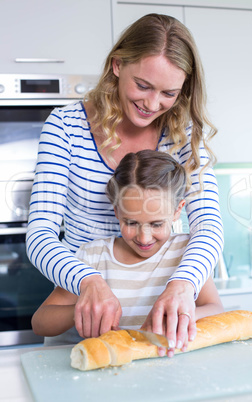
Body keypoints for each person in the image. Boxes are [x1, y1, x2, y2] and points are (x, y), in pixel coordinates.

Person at [26, 13, 223, 352]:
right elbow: (40, 234)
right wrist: (88, 281)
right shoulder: (65, 127)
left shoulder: (185, 135)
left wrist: (182, 285)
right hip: (84, 333)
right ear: (118, 65)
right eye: (143, 86)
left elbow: (209, 226)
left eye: (169, 93)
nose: (152, 104)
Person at [31, 150, 224, 355]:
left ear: (178, 210)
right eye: (131, 223)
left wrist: (176, 318)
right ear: (116, 211)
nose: (144, 237)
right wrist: (83, 310)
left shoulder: (187, 253)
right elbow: (40, 322)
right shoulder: (93, 256)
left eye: (157, 224)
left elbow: (215, 309)